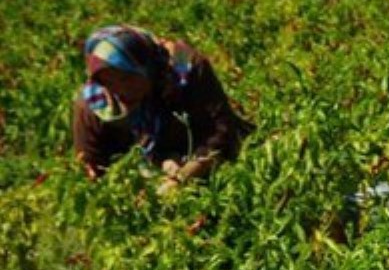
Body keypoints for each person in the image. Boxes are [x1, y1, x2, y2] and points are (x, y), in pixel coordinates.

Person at [71, 25, 253, 188]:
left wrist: (184, 176)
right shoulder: (95, 105)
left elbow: (222, 132)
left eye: (126, 78)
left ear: (146, 68)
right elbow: (91, 168)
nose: (119, 89)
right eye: (108, 81)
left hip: (208, 158)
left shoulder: (186, 70)